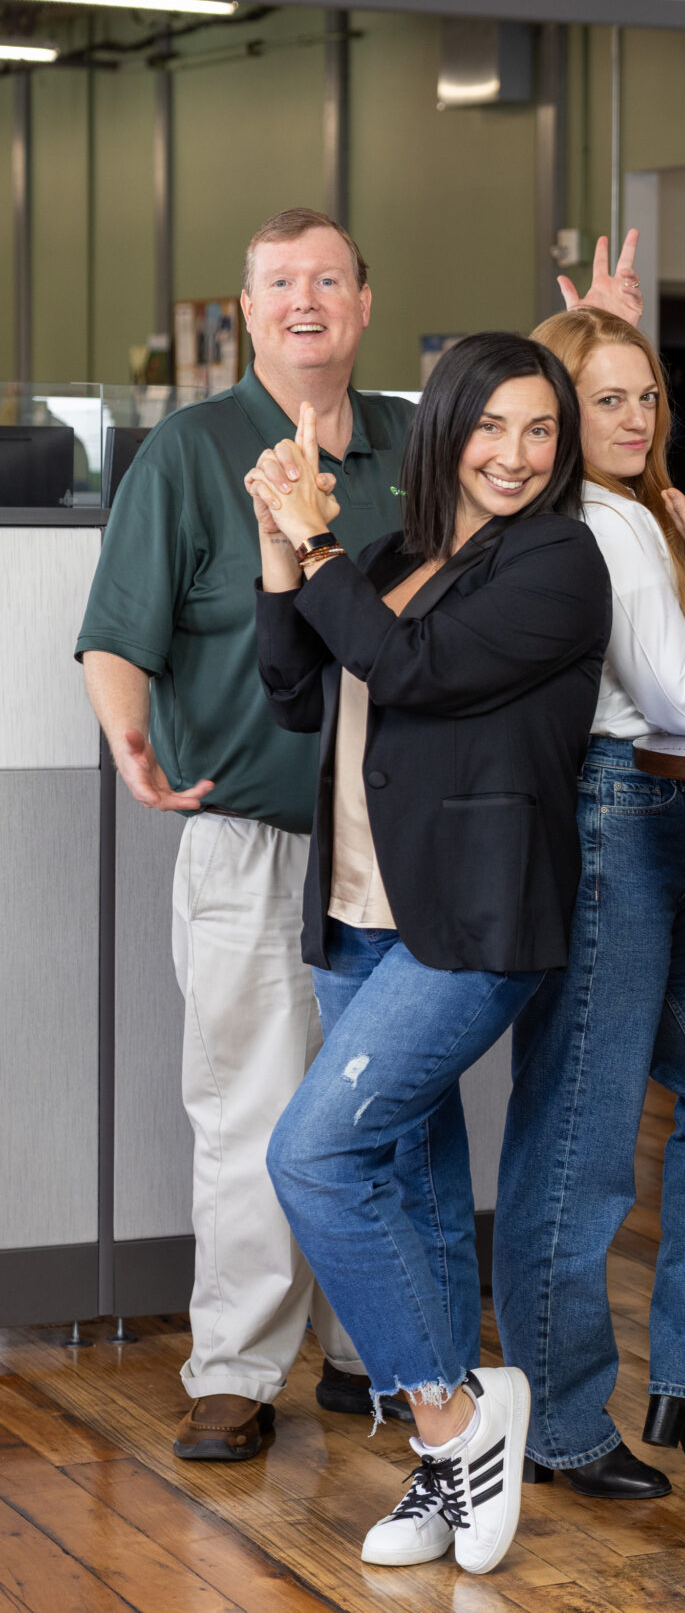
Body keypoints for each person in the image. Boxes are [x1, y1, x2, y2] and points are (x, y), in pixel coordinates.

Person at [247, 331, 612, 1575]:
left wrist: (318, 547)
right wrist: (279, 542)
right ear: (446, 428)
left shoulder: (560, 561)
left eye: (541, 431)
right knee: (411, 1185)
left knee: (315, 1153)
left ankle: (455, 1419)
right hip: (357, 911)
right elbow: (295, 689)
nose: (516, 454)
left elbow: (414, 667)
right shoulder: (397, 556)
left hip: (468, 920)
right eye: (492, 426)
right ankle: (451, 1467)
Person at [74, 208, 405, 1460]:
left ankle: (377, 1348)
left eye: (328, 279)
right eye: (280, 283)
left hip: (397, 837)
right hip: (251, 832)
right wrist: (129, 737)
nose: (305, 300)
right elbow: (120, 632)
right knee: (251, 1107)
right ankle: (238, 1369)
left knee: (387, 1104)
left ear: (363, 302)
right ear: (249, 309)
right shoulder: (190, 449)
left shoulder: (415, 445)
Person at [497, 306, 685, 1498]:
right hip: (618, 829)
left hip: (643, 836)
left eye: (647, 395)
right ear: (561, 412)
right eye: (606, 398)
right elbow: (679, 700)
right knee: (581, 1142)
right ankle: (558, 1425)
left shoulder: (623, 511)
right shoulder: (605, 524)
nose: (637, 417)